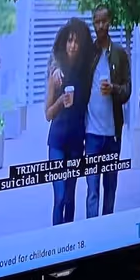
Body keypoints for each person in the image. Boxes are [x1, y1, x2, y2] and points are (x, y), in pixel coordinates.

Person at [82, 5, 132, 218]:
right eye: (96, 21)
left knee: (110, 187)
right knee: (92, 190)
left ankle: (107, 233)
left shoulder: (119, 54)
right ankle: (92, 235)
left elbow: (127, 90)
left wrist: (114, 89)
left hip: (112, 135)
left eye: (104, 21)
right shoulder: (88, 53)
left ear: (110, 21)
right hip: (92, 135)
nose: (100, 26)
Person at [44, 18, 93, 226]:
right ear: (64, 43)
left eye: (76, 41)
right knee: (60, 196)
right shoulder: (56, 74)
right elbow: (47, 114)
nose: (72, 45)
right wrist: (61, 103)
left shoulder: (85, 73)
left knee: (71, 197)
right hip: (56, 141)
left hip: (76, 143)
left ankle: (69, 241)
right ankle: (56, 239)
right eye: (69, 41)